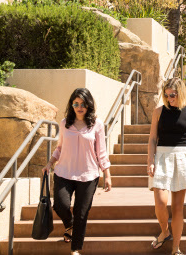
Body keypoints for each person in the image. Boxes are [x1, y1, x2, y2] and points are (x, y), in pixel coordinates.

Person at [42, 88, 112, 255]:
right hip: (64, 172)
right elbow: (60, 148)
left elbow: (101, 152)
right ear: (71, 105)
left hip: (88, 175)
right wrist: (49, 163)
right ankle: (69, 225)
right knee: (60, 205)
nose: (79, 107)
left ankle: (75, 250)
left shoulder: (97, 124)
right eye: (76, 103)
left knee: (81, 213)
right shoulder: (65, 123)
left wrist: (107, 174)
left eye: (83, 104)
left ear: (88, 105)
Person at [147, 78, 186, 255]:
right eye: (166, 94)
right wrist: (150, 161)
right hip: (161, 158)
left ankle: (175, 248)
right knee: (161, 203)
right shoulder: (158, 111)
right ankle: (165, 231)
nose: (169, 98)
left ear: (181, 92)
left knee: (178, 208)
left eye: (173, 94)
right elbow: (153, 139)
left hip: (181, 157)